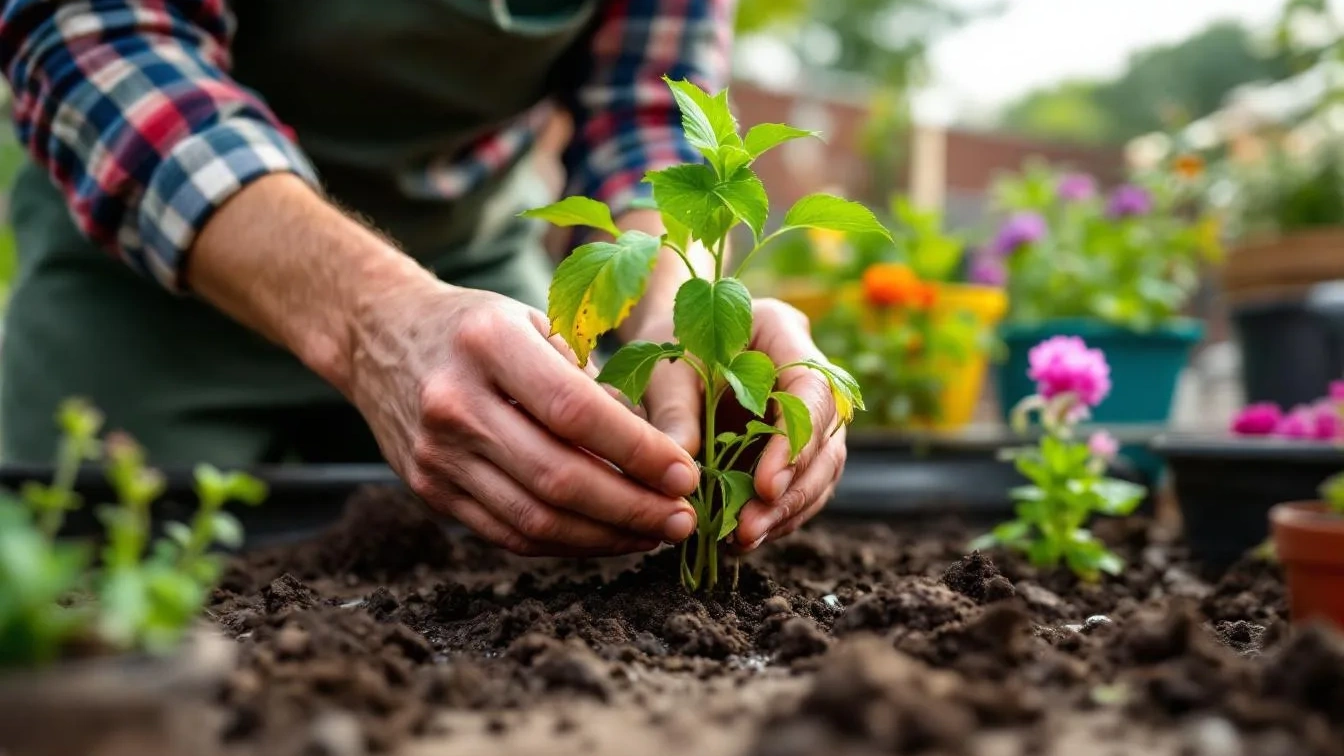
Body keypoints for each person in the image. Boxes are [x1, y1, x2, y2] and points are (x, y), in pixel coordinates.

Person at [0, 0, 847, 558]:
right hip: (148, 276)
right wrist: (375, 320)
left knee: (529, 548)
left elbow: (649, 119)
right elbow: (95, 36)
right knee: (96, 588)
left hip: (474, 269)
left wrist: (686, 322)